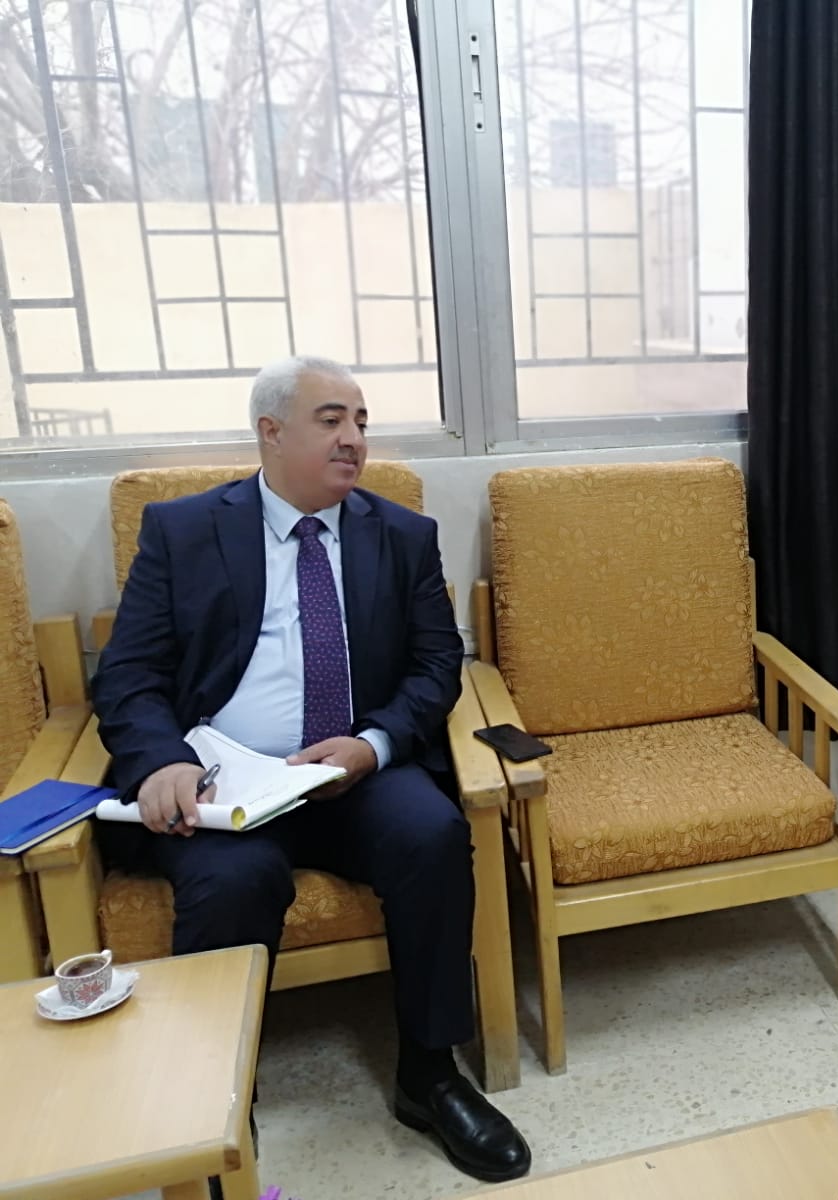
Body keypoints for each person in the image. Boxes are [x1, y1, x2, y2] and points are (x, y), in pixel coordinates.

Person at [92, 356, 531, 1182]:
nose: (353, 438)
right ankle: (216, 1104)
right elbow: (128, 675)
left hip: (350, 770)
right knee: (234, 881)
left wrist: (376, 743)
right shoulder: (183, 532)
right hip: (227, 782)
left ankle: (429, 1075)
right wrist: (162, 760)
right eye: (331, 420)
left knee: (433, 834)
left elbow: (438, 664)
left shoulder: (401, 535)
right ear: (271, 432)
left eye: (360, 422)